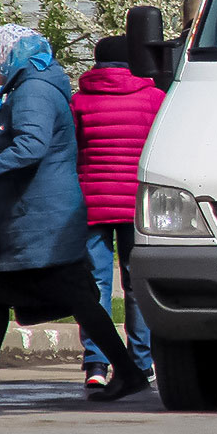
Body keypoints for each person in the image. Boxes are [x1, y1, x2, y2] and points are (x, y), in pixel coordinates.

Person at [0, 25, 150, 402]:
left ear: (10, 53)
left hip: (44, 216)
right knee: (0, 292)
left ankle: (128, 371)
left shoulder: (33, 89)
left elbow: (31, 146)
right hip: (34, 213)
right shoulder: (33, 84)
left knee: (75, 294)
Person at [72, 35, 164, 389]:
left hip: (91, 201)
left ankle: (96, 363)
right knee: (136, 284)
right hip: (135, 204)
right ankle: (141, 362)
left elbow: (71, 150)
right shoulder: (154, 98)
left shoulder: (78, 101)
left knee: (94, 284)